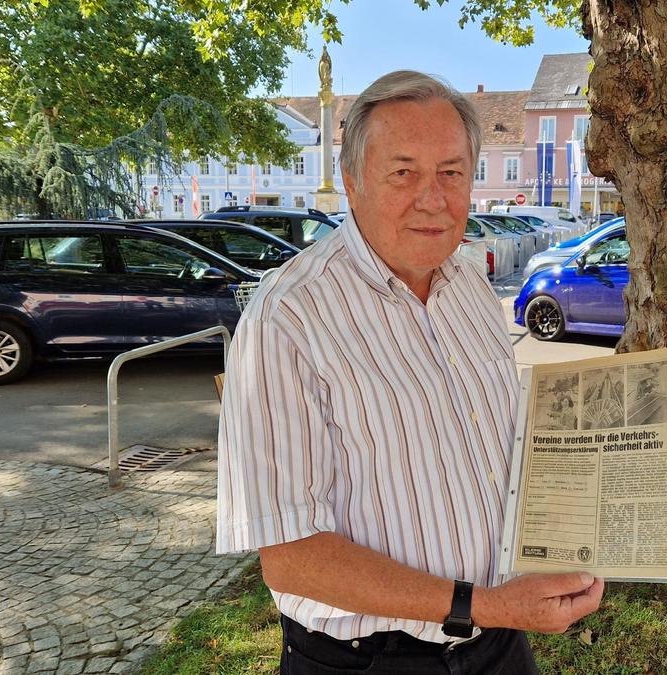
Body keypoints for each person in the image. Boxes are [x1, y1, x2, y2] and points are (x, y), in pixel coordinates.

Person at [216, 70, 604, 674]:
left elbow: (501, 450)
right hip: (371, 661)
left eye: (452, 173)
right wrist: (485, 604)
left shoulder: (471, 287)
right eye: (403, 173)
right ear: (352, 180)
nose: (433, 198)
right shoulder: (288, 318)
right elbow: (291, 557)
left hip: (498, 643)